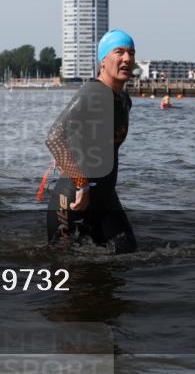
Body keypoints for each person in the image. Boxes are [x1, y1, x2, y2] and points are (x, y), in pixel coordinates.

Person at [45, 29, 137, 254]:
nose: (127, 58)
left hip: (105, 198)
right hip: (74, 199)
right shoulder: (92, 92)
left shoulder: (123, 99)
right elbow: (54, 138)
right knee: (72, 274)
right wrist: (82, 184)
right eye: (119, 52)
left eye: (131, 53)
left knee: (127, 255)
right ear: (103, 61)